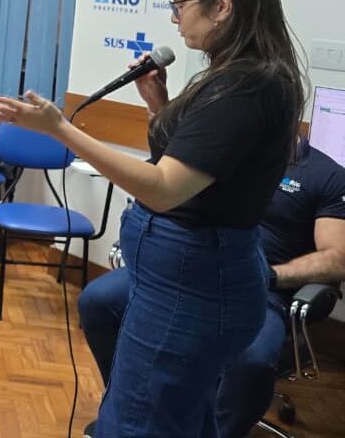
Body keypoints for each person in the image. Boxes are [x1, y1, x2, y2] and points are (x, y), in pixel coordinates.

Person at [0, 0, 306, 436]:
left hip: (193, 284)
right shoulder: (235, 75)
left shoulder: (247, 83)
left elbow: (163, 189)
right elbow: (199, 162)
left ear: (221, 5)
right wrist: (159, 103)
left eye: (179, 5)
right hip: (188, 276)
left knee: (138, 423)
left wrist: (60, 129)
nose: (174, 18)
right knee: (173, 409)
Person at [78, 138, 345, 437]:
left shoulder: (327, 176)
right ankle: (128, 404)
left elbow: (337, 258)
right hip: (190, 271)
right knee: (98, 300)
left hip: (261, 290)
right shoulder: (226, 156)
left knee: (251, 360)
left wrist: (269, 274)